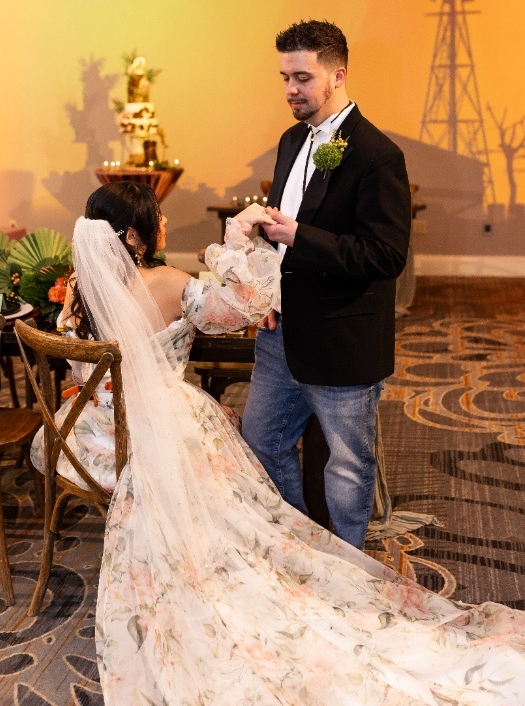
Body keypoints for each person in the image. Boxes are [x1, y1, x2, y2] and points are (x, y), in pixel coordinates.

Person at [36, 181, 525, 705]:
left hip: (86, 437)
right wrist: (233, 244)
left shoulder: (82, 286)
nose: (165, 222)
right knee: (231, 474)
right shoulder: (171, 284)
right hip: (151, 431)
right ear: (134, 235)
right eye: (157, 216)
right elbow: (246, 307)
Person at [242, 20, 412, 550]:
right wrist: (266, 289)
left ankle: (350, 565)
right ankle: (309, 548)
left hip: (342, 339)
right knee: (261, 443)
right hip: (281, 333)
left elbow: (385, 256)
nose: (290, 90)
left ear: (338, 75)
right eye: (285, 78)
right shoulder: (292, 140)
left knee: (348, 464)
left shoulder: (377, 155)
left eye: (302, 78)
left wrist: (300, 236)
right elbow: (284, 232)